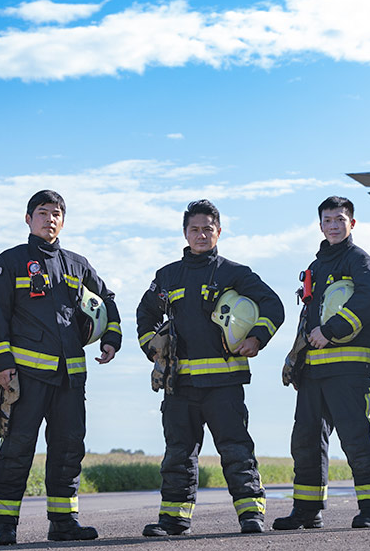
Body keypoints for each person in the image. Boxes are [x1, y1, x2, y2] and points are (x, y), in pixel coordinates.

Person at [136, 199, 284, 536]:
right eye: (194, 229)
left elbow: (273, 306)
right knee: (177, 454)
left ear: (219, 231)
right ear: (185, 233)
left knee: (236, 450)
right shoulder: (168, 276)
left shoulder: (234, 273)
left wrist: (257, 339)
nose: (201, 235)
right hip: (180, 385)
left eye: (207, 229)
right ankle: (173, 520)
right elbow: (145, 314)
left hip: (224, 384)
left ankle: (251, 515)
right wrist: (151, 347)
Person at [0, 190, 121, 546]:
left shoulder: (78, 264)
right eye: (43, 212)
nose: (50, 219)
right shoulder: (10, 261)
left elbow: (107, 300)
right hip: (25, 377)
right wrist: (2, 363)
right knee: (17, 450)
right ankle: (4, 524)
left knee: (68, 449)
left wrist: (112, 339)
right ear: (28, 219)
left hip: (71, 379)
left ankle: (63, 521)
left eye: (57, 213)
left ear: (63, 220)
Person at [273, 196, 370, 531]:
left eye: (340, 220)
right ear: (320, 225)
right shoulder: (316, 266)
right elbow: (308, 317)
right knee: (306, 441)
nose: (334, 226)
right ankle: (307, 511)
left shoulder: (360, 261)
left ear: (352, 224)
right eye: (328, 220)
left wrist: (332, 331)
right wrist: (297, 360)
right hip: (313, 372)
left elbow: (369, 301)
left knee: (358, 439)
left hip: (349, 369)